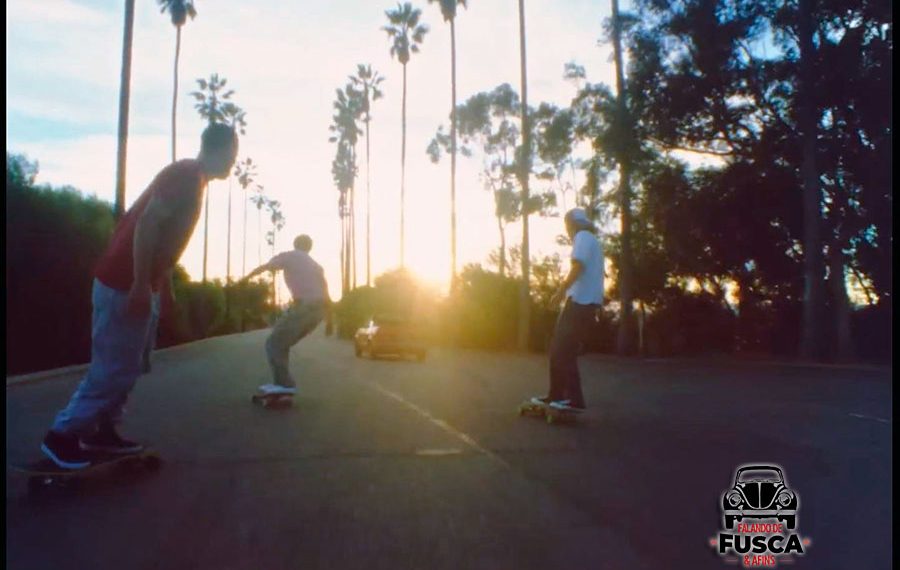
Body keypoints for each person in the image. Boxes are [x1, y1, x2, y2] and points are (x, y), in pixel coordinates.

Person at [40, 123, 239, 469]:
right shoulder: (186, 175)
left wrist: (163, 287)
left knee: (131, 364)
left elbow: (164, 239)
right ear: (219, 150)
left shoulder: (194, 180)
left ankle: (102, 430)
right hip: (123, 282)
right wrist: (139, 283)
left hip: (141, 282)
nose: (233, 165)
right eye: (232, 156)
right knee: (113, 366)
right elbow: (148, 224)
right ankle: (61, 436)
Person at [532, 208, 604, 413]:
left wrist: (559, 292)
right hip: (589, 302)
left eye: (567, 226)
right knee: (566, 350)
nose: (568, 231)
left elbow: (577, 266)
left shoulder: (582, 237)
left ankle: (567, 398)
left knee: (559, 349)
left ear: (571, 224)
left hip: (580, 301)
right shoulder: (593, 241)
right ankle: (562, 396)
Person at [242, 234, 333, 396]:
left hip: (303, 308)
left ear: (295, 244)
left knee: (273, 343)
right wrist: (330, 321)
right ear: (310, 247)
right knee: (282, 343)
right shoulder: (317, 266)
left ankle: (285, 384)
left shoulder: (289, 256)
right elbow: (326, 291)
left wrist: (246, 278)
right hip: (318, 312)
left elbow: (266, 267)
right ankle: (282, 382)